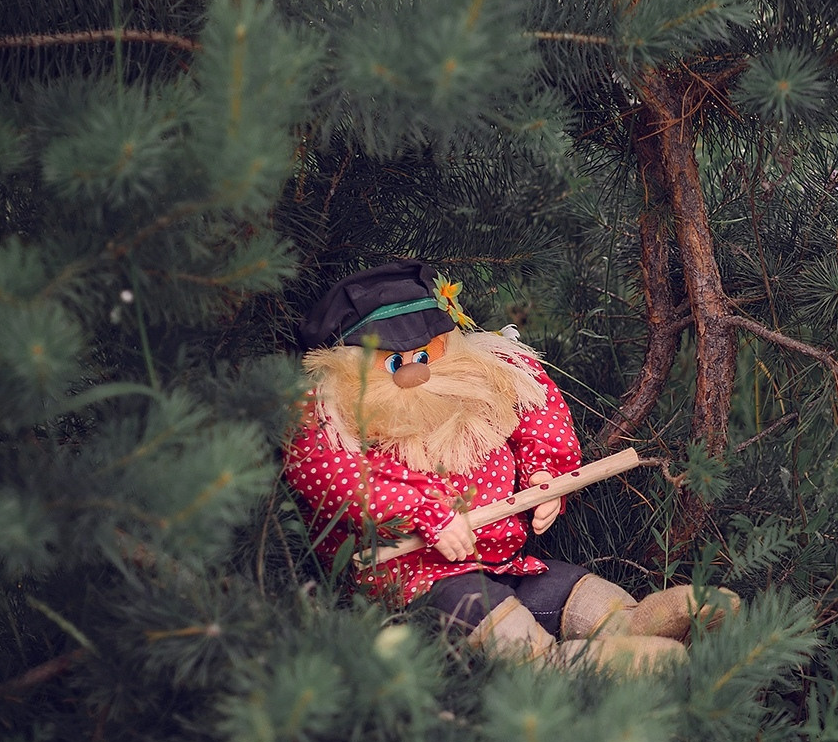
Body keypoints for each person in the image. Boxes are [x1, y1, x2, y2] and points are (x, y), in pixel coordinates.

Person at [285, 259, 730, 670]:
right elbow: (337, 478)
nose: (415, 373)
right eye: (394, 362)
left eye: (423, 356)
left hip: (504, 559)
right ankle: (561, 667)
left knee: (563, 586)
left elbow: (535, 410)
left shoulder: (476, 380)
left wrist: (545, 473)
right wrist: (422, 512)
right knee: (485, 611)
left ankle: (633, 625)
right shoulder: (331, 419)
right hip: (418, 579)